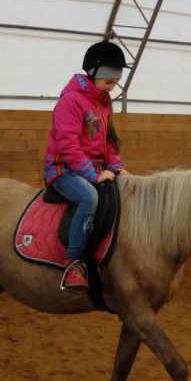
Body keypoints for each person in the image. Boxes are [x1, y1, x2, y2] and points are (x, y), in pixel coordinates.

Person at [43, 40, 131, 292]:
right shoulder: (70, 101)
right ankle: (73, 262)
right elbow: (68, 146)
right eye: (109, 78)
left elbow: (108, 144)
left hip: (93, 168)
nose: (113, 84)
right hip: (63, 169)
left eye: (116, 79)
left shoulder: (102, 104)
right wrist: (92, 175)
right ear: (93, 71)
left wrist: (116, 168)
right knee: (89, 197)